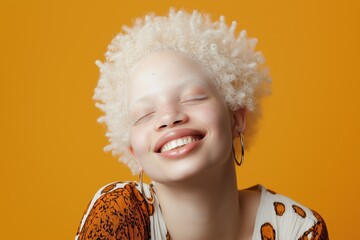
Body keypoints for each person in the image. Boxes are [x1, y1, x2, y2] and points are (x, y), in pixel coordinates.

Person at [76, 9, 328, 240]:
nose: (169, 118)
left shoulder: (298, 228)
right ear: (134, 154)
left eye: (193, 98)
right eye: (144, 114)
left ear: (236, 118)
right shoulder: (117, 212)